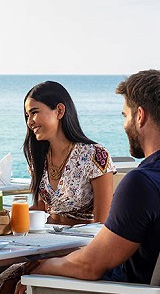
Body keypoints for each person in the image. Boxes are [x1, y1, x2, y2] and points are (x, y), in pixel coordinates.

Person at [0, 70, 160, 294]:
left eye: (125, 115)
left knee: (11, 277)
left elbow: (90, 266)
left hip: (123, 289)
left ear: (140, 116)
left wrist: (36, 268)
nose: (124, 124)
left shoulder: (142, 183)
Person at [23, 81, 115, 225]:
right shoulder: (39, 157)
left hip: (82, 242)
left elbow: (103, 222)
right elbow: (41, 208)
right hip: (47, 238)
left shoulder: (94, 155)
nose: (30, 122)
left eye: (34, 112)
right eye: (27, 115)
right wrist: (4, 217)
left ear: (59, 111)